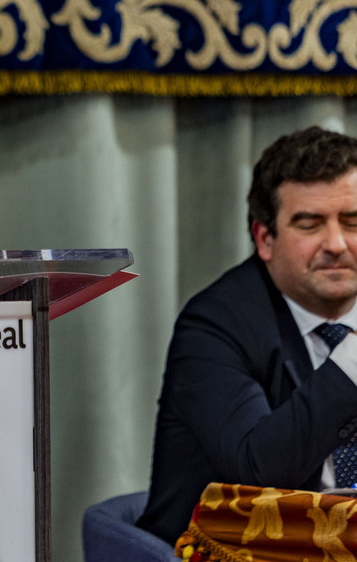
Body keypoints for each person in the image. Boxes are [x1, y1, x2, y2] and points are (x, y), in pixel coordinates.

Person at [138, 126, 357, 545]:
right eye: (310, 224)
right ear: (264, 238)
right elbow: (260, 472)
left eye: (353, 221)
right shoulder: (214, 325)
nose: (336, 243)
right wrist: (351, 360)